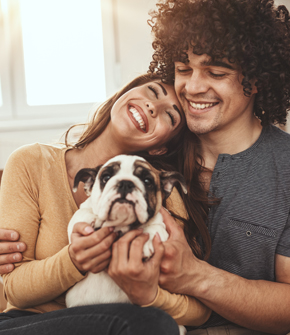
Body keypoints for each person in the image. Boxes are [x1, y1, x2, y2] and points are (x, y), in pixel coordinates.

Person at [141, 0, 290, 334]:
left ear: (256, 80)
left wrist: (195, 276)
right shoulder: (153, 148)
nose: (193, 87)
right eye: (184, 69)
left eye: (216, 72)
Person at [0, 73, 211, 335]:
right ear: (124, 94)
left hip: (122, 322)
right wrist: (73, 261)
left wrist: (149, 295)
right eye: (151, 92)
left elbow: (199, 310)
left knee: (153, 324)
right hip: (28, 322)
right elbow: (14, 290)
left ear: (162, 148)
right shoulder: (31, 162)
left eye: (170, 116)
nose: (152, 107)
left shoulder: (161, 194)